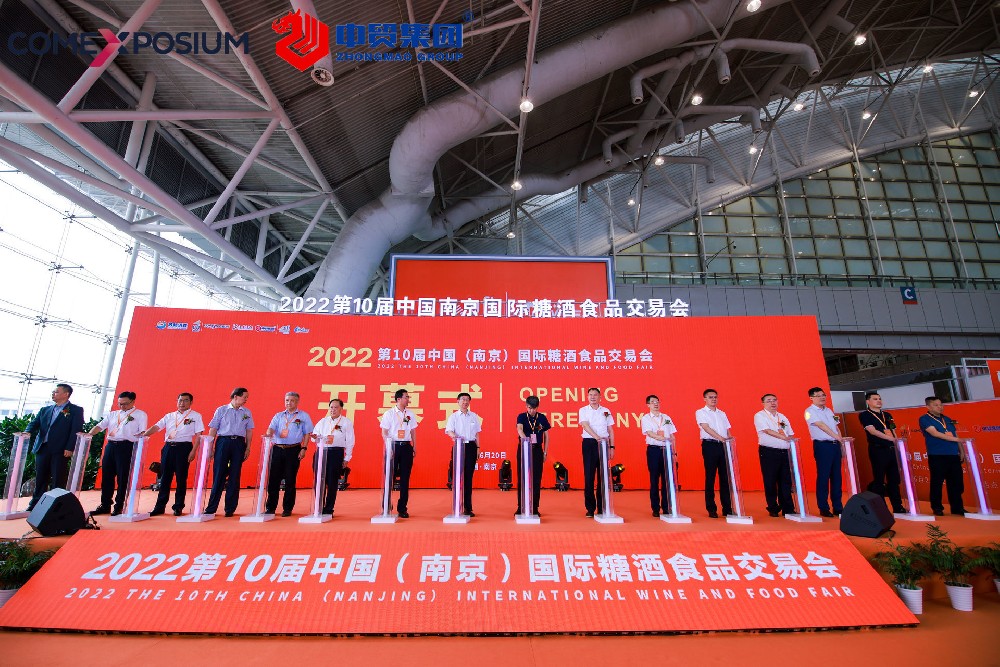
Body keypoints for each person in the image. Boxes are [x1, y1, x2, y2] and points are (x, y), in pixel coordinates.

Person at [142, 392, 205, 516]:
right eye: (180, 400)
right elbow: (156, 427)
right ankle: (159, 507)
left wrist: (193, 451)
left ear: (191, 402)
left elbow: (199, 435)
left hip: (184, 448)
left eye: (185, 400)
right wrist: (144, 435)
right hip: (168, 447)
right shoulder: (169, 416)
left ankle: (178, 506)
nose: (182, 403)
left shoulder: (195, 416)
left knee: (181, 478)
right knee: (165, 477)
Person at [25, 383, 85, 511]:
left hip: (60, 449)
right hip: (42, 448)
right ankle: (35, 504)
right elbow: (34, 423)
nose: (53, 394)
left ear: (66, 394)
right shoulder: (45, 410)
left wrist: (70, 447)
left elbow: (76, 429)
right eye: (53, 391)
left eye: (56, 391)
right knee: (41, 477)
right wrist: (27, 432)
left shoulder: (76, 410)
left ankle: (55, 506)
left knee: (58, 478)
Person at [90, 391, 148, 516]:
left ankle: (119, 505)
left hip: (126, 446)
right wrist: (88, 435)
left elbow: (143, 432)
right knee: (107, 476)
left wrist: (140, 437)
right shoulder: (113, 414)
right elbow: (100, 426)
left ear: (133, 401)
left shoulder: (140, 415)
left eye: (125, 404)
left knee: (123, 477)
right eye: (120, 404)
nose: (122, 406)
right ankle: (105, 504)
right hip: (111, 446)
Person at [204, 387, 254, 517]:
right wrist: (210, 446)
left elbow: (249, 431)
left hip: (239, 443)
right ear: (236, 396)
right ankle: (211, 508)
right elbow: (213, 428)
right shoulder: (221, 410)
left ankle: (230, 509)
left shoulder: (247, 412)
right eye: (244, 397)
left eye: (247, 398)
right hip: (223, 442)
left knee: (235, 475)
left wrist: (248, 447)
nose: (246, 400)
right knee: (219, 474)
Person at [264, 392, 314, 517]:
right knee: (273, 479)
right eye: (287, 400)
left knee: (290, 479)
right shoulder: (279, 415)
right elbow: (271, 428)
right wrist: (268, 434)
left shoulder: (303, 416)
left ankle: (287, 508)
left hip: (293, 449)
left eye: (292, 400)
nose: (289, 403)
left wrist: (304, 448)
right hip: (277, 449)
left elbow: (307, 433)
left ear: (297, 402)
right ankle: (270, 507)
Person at [918, 396, 967, 516]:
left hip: (953, 455)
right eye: (936, 405)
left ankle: (957, 508)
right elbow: (935, 433)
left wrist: (961, 451)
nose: (940, 407)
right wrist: (957, 439)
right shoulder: (924, 419)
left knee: (956, 483)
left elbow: (955, 435)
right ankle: (937, 507)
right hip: (937, 455)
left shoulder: (947, 419)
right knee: (937, 482)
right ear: (928, 407)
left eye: (941, 404)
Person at [859, 391, 905, 514]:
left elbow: (893, 430)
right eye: (875, 399)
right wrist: (890, 439)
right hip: (878, 449)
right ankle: (881, 509)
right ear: (868, 402)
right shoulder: (865, 415)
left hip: (891, 449)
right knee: (879, 480)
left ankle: (898, 507)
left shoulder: (887, 415)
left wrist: (897, 443)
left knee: (894, 479)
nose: (878, 401)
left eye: (879, 398)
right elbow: (872, 431)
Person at [804, 387, 844, 518]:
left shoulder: (829, 410)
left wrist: (841, 441)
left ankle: (838, 507)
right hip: (822, 446)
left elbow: (836, 427)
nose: (822, 397)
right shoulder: (809, 411)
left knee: (837, 477)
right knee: (823, 476)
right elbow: (821, 425)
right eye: (818, 396)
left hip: (835, 445)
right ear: (811, 398)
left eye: (823, 395)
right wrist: (836, 437)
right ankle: (823, 507)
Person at [754, 393, 795, 517]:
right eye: (769, 401)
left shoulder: (782, 417)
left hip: (784, 452)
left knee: (786, 481)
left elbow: (790, 433)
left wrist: (789, 439)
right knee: (770, 480)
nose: (772, 403)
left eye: (774, 400)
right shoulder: (759, 415)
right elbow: (767, 430)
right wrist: (784, 437)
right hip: (769, 452)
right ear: (763, 403)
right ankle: (773, 507)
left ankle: (788, 508)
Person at [311, 399, 355, 515]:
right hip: (321, 452)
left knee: (332, 482)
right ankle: (318, 507)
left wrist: (347, 458)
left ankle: (329, 508)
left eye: (336, 407)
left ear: (341, 409)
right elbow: (313, 437)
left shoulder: (346, 422)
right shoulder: (323, 421)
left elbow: (350, 441)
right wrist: (315, 437)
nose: (333, 409)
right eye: (331, 407)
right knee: (319, 480)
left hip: (336, 453)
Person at [379, 389, 416, 518]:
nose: (408, 399)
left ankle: (402, 508)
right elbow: (384, 432)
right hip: (393, 446)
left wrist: (414, 446)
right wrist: (389, 447)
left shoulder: (410, 414)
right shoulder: (389, 414)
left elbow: (413, 431)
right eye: (406, 397)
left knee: (405, 478)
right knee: (390, 477)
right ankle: (386, 506)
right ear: (399, 399)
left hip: (406, 447)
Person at [696, 388, 733, 518]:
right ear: (705, 399)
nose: (713, 399)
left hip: (724, 446)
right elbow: (706, 428)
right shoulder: (700, 412)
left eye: (715, 397)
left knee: (725, 478)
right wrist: (720, 438)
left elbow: (727, 430)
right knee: (710, 476)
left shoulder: (722, 413)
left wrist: (729, 440)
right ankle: (711, 508)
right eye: (710, 397)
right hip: (710, 445)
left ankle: (727, 508)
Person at [579, 387, 615, 518]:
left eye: (595, 395)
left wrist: (612, 447)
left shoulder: (606, 411)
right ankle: (590, 508)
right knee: (589, 476)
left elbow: (610, 430)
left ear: (600, 397)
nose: (593, 397)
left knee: (603, 476)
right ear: (587, 397)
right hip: (590, 443)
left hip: (604, 444)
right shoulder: (583, 410)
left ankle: (602, 507)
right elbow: (585, 425)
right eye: (590, 395)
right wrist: (597, 438)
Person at [445, 392, 482, 517]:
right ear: (458, 401)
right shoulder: (454, 417)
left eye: (467, 400)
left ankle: (467, 507)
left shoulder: (474, 416)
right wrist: (455, 437)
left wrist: (478, 448)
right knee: (457, 477)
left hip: (471, 447)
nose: (465, 402)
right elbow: (449, 431)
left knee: (468, 477)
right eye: (463, 399)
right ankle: (457, 506)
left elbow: (477, 433)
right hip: (459, 446)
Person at [641, 394, 676, 517]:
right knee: (654, 479)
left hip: (667, 450)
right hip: (654, 451)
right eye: (652, 402)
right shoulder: (646, 418)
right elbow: (650, 433)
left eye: (657, 401)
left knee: (667, 480)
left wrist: (674, 452)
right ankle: (655, 508)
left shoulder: (666, 417)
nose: (656, 404)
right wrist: (663, 438)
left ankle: (667, 507)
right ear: (648, 405)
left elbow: (672, 436)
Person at [515, 395, 550, 516]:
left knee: (536, 479)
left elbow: (546, 436)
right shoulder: (521, 416)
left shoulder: (542, 418)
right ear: (526, 406)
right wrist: (526, 441)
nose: (532, 410)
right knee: (522, 478)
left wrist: (545, 452)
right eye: (529, 408)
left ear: (537, 407)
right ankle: (521, 506)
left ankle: (534, 507)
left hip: (537, 450)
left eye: (534, 408)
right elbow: (519, 429)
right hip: (524, 448)